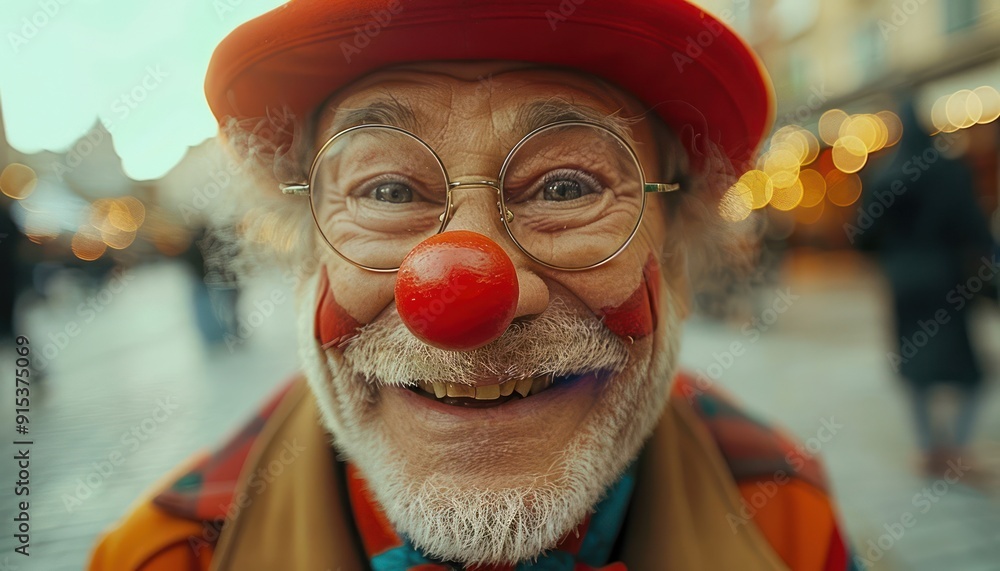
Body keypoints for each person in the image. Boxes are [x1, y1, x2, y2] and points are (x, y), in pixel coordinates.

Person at [89, 1, 856, 569]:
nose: (467, 298)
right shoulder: (165, 555)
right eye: (387, 192)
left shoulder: (786, 518)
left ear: (678, 261)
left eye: (564, 187)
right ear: (305, 262)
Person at [859, 100, 996, 475]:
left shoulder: (883, 174)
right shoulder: (950, 170)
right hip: (946, 279)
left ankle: (927, 448)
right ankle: (957, 446)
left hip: (903, 280)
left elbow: (864, 235)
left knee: (914, 363)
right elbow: (975, 227)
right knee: (968, 370)